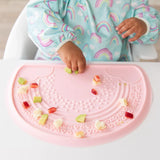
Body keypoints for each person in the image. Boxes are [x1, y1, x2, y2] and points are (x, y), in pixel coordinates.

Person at [27, 0, 160, 73]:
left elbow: (147, 14)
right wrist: (63, 44)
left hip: (112, 68)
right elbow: (38, 12)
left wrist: (143, 24)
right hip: (58, 64)